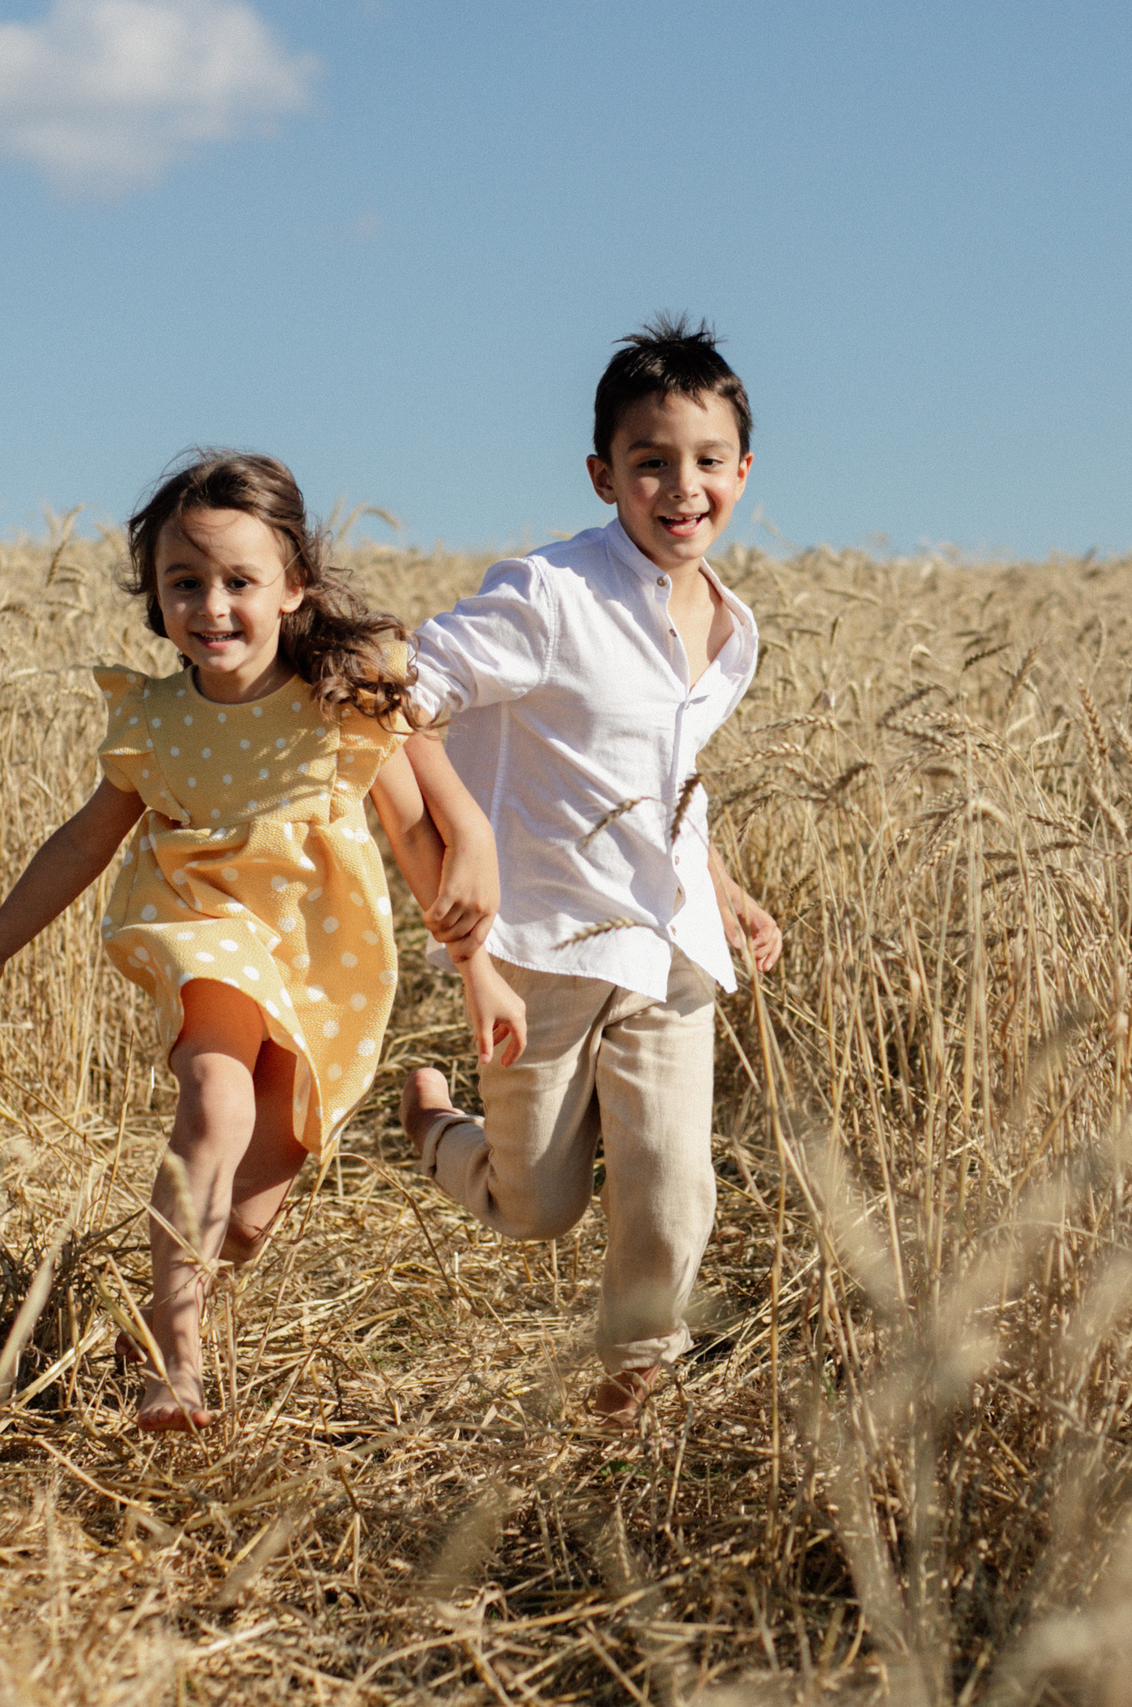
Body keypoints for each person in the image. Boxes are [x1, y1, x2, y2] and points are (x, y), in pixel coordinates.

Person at [0, 451, 523, 1432]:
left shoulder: (347, 700)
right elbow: (82, 843)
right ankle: (178, 1363)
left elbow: (419, 841)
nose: (211, 606)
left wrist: (478, 972)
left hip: (321, 960)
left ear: (293, 586)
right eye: (184, 583)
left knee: (246, 1219)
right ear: (155, 596)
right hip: (202, 932)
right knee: (215, 1100)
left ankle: (164, 1311)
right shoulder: (156, 720)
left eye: (238, 581)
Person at [399, 315, 785, 1427]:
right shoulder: (550, 596)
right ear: (603, 475)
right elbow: (399, 695)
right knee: (537, 1204)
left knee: (673, 1188)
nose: (682, 487)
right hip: (547, 943)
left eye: (707, 460)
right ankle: (433, 1126)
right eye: (650, 461)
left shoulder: (731, 628)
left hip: (669, 946)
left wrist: (723, 890)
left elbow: (663, 778)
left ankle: (631, 1391)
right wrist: (465, 835)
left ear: (743, 472)